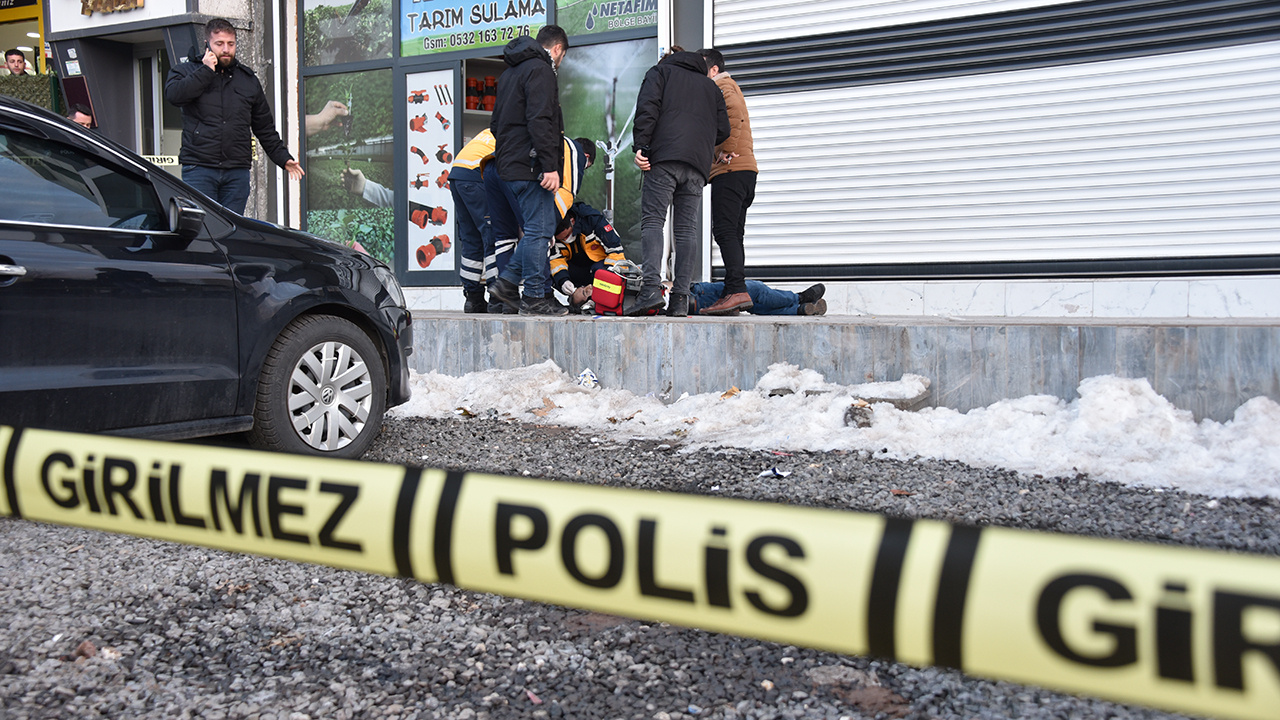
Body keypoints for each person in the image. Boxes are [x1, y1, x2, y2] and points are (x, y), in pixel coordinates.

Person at [164, 18, 304, 215]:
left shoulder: (247, 80)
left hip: (236, 171)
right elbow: (174, 96)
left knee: (232, 232)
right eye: (219, 44)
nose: (226, 49)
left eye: (231, 44)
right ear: (207, 44)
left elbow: (264, 127)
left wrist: (283, 158)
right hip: (200, 168)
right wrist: (205, 71)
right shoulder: (187, 71)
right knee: (203, 229)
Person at [630, 50, 729, 317]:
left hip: (664, 158)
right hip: (697, 165)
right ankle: (680, 299)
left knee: (653, 221)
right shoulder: (711, 87)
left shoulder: (660, 73)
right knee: (686, 230)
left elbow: (647, 109)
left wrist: (641, 146)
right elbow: (724, 129)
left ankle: (651, 289)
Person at [486, 25, 570, 316]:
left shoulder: (509, 73)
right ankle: (535, 296)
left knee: (537, 228)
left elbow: (495, 124)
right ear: (557, 49)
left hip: (509, 164)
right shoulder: (541, 70)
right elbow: (541, 119)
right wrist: (549, 165)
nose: (559, 63)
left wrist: (513, 153)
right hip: (532, 164)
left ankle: (507, 283)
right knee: (538, 231)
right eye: (561, 57)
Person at [486, 133, 591, 310]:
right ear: (587, 158)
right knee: (538, 232)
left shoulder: (553, 145)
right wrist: (548, 226)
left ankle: (504, 302)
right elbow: (567, 194)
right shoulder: (576, 152)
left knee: (504, 237)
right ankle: (541, 294)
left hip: (495, 165)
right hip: (519, 170)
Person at [698, 48, 758, 316]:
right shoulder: (729, 85)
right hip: (744, 172)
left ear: (713, 70)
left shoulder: (722, 85)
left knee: (723, 231)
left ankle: (736, 290)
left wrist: (725, 149)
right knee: (733, 233)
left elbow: (734, 114)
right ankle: (734, 288)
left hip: (731, 171)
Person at [450, 129, 498, 312]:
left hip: (457, 176)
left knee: (471, 238)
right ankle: (496, 298)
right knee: (492, 235)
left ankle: (473, 298)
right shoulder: (513, 132)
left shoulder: (488, 131)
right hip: (475, 176)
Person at [550, 196, 626, 310]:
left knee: (598, 270)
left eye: (567, 235)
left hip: (602, 268)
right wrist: (563, 280)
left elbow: (616, 250)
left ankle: (599, 300)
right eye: (562, 239)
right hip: (577, 270)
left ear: (572, 221)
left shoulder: (593, 221)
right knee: (548, 272)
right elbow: (555, 259)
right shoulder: (551, 233)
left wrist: (608, 275)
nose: (566, 240)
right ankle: (575, 300)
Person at [689, 282, 827, 316]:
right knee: (756, 289)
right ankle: (800, 298)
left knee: (756, 306)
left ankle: (799, 310)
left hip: (697, 298)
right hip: (699, 294)